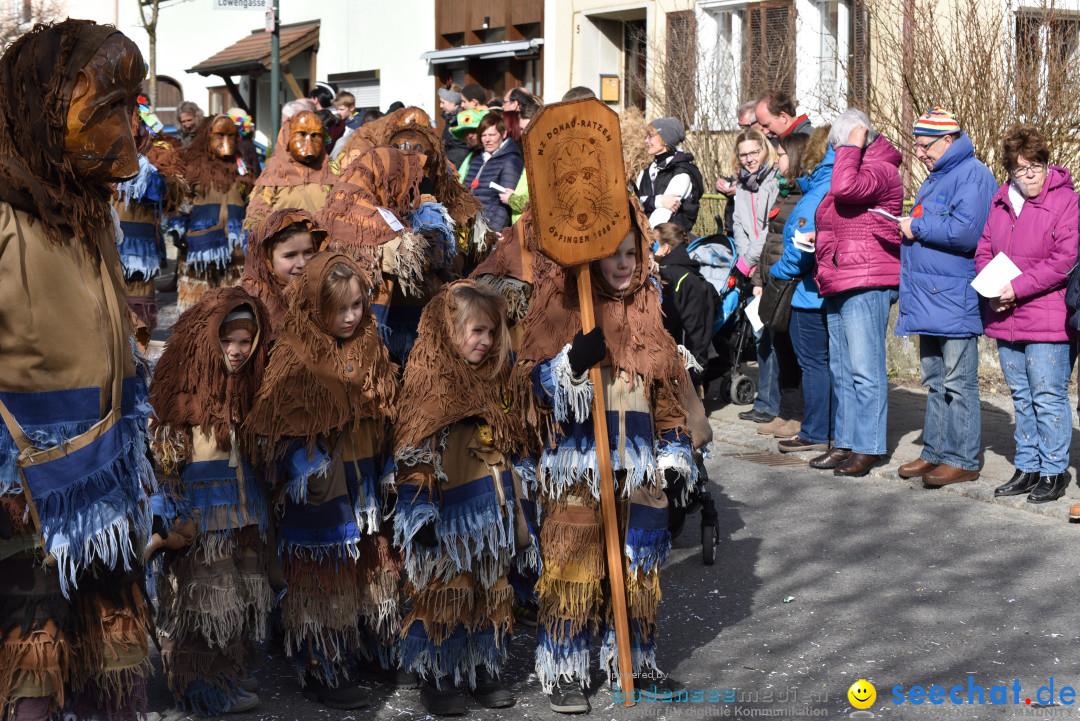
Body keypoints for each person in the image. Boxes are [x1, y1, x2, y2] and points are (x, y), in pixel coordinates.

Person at [0, 20, 155, 721]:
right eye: (105, 111)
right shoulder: (5, 216)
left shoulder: (84, 208)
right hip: (26, 483)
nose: (127, 136)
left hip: (109, 477)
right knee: (32, 659)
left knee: (117, 662)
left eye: (132, 108)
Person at [516, 196, 694, 713]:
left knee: (638, 570)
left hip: (638, 468)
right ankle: (567, 670)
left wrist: (674, 454)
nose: (622, 265)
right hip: (577, 467)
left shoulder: (649, 313)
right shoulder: (561, 308)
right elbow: (529, 393)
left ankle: (635, 663)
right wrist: (570, 362)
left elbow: (668, 398)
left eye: (631, 253)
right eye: (610, 254)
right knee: (573, 565)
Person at [243, 253, 400, 709]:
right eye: (340, 308)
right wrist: (298, 462)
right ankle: (324, 666)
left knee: (372, 568)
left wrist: (391, 457)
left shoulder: (373, 344)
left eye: (357, 305)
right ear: (315, 307)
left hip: (365, 478)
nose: (351, 317)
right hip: (321, 488)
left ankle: (373, 645)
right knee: (323, 579)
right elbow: (267, 427)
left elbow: (388, 405)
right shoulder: (294, 354)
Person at [393, 281, 526, 715]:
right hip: (448, 512)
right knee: (445, 592)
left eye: (492, 333)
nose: (485, 342)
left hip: (491, 511)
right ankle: (439, 673)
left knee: (490, 590)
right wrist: (420, 510)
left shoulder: (492, 381)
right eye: (476, 332)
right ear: (448, 331)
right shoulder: (429, 386)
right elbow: (414, 450)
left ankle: (483, 666)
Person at [147, 288, 272, 715]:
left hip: (242, 515)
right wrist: (170, 514)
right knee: (205, 599)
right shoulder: (182, 396)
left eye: (245, 341)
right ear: (206, 340)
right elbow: (165, 461)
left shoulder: (251, 387)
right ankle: (202, 682)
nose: (236, 351)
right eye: (226, 340)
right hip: (200, 519)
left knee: (234, 598)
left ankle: (228, 668)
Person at [894, 108, 997, 485]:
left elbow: (966, 232)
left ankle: (963, 459)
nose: (919, 153)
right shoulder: (942, 175)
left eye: (924, 145)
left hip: (954, 297)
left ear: (948, 140)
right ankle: (935, 452)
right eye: (917, 145)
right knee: (936, 379)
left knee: (958, 382)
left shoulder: (974, 175)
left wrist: (916, 225)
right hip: (932, 296)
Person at [976, 125, 1078, 503]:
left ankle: (1054, 471)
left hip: (1047, 315)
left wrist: (1016, 288)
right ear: (1010, 172)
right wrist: (990, 289)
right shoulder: (1001, 201)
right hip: (1006, 315)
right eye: (1021, 169)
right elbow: (984, 248)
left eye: (1036, 165)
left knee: (1048, 395)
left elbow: (1064, 260)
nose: (1030, 174)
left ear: (1046, 164)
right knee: (1020, 395)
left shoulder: (1066, 201)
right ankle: (1027, 466)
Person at [809, 109, 903, 477]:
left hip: (866, 278)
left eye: (840, 146)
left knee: (865, 369)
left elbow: (845, 189)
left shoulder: (881, 169)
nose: (836, 153)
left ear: (859, 138)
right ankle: (846, 442)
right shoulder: (857, 165)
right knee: (842, 368)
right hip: (840, 275)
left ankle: (867, 446)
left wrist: (852, 144)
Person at [318, 146, 458, 364]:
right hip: (365, 330)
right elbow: (421, 259)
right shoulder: (370, 219)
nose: (410, 190)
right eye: (404, 181)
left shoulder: (340, 205)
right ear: (388, 180)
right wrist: (430, 211)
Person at [771, 127, 837, 454]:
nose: (778, 158)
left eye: (782, 154)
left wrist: (776, 272)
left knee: (813, 364)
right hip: (822, 292)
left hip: (808, 294)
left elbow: (801, 252)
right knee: (826, 364)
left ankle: (814, 432)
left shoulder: (818, 191)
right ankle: (831, 430)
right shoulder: (829, 185)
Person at [750, 133, 809, 439]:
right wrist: (759, 277)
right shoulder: (783, 192)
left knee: (794, 353)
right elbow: (769, 238)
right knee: (781, 350)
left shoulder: (802, 195)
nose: (776, 160)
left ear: (796, 158)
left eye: (782, 155)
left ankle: (797, 415)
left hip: (790, 283)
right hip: (773, 280)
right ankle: (785, 413)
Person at [728, 127, 783, 425]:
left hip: (770, 265)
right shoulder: (742, 185)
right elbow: (738, 222)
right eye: (744, 154)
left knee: (771, 337)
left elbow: (769, 230)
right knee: (760, 335)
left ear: (764, 150)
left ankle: (772, 403)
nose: (749, 159)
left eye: (754, 152)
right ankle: (765, 400)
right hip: (751, 267)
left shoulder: (773, 181)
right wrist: (744, 257)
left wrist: (748, 258)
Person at [177, 114, 251, 310]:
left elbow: (250, 202)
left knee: (232, 307)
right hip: (201, 246)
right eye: (219, 136)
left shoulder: (242, 168)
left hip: (235, 248)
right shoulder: (193, 167)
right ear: (207, 137)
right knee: (199, 306)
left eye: (231, 136)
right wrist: (180, 232)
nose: (226, 142)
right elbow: (181, 203)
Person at [239, 208, 326, 341]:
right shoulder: (252, 302)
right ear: (267, 259)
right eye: (290, 255)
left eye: (308, 252)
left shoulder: (325, 289)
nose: (302, 263)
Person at [244, 110, 338, 232]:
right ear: (287, 137)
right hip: (287, 245)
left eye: (315, 135)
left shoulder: (330, 170)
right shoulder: (273, 172)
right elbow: (256, 215)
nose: (309, 145)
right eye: (302, 134)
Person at [654, 222, 719, 376]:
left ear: (664, 248)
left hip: (681, 364)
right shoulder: (694, 275)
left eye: (652, 244)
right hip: (692, 359)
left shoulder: (669, 277)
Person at [634, 117, 705, 232]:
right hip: (643, 240)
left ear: (666, 139)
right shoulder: (644, 173)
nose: (646, 141)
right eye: (646, 137)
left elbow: (663, 214)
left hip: (670, 244)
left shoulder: (682, 173)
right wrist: (660, 201)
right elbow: (634, 204)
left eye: (651, 136)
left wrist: (646, 238)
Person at [463, 112, 524, 231]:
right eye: (483, 135)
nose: (487, 139)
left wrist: (492, 234)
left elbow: (504, 206)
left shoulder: (510, 160)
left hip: (489, 230)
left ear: (503, 134)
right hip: (469, 228)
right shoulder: (477, 160)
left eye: (492, 135)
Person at [715, 101, 759, 237]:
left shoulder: (769, 147)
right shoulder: (742, 143)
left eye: (746, 127)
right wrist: (725, 183)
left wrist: (741, 188)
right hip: (734, 222)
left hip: (754, 224)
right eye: (741, 127)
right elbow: (739, 176)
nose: (743, 131)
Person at [498, 95, 541, 225]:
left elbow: (540, 202)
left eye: (528, 128)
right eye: (521, 129)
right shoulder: (530, 152)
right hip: (521, 226)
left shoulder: (546, 158)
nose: (524, 134)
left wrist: (512, 199)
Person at [438, 85, 470, 168]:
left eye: (443, 102)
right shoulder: (451, 119)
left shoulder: (460, 121)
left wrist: (443, 165)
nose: (441, 106)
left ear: (452, 102)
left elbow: (460, 150)